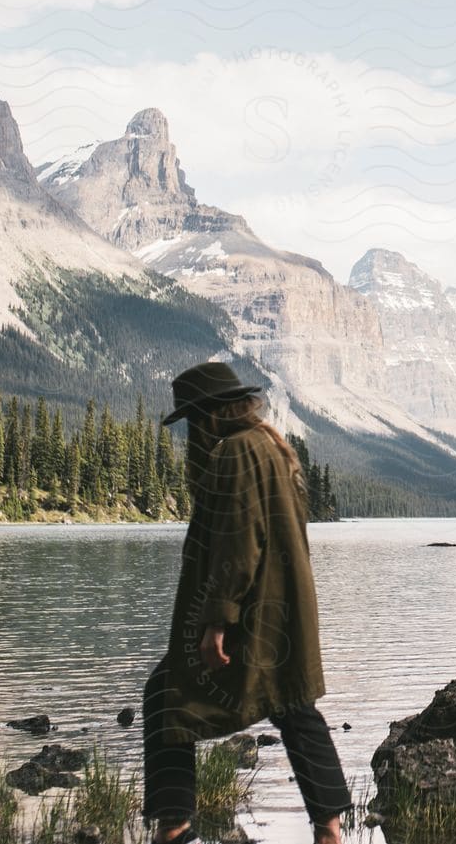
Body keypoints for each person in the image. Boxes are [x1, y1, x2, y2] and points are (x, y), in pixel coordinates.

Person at [142, 361, 351, 844]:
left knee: (167, 695)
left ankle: (174, 826)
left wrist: (218, 621)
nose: (192, 430)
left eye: (194, 419)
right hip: (285, 606)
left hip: (251, 613)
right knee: (293, 703)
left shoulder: (235, 452)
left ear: (211, 413)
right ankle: (330, 827)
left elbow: (239, 543)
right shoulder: (274, 446)